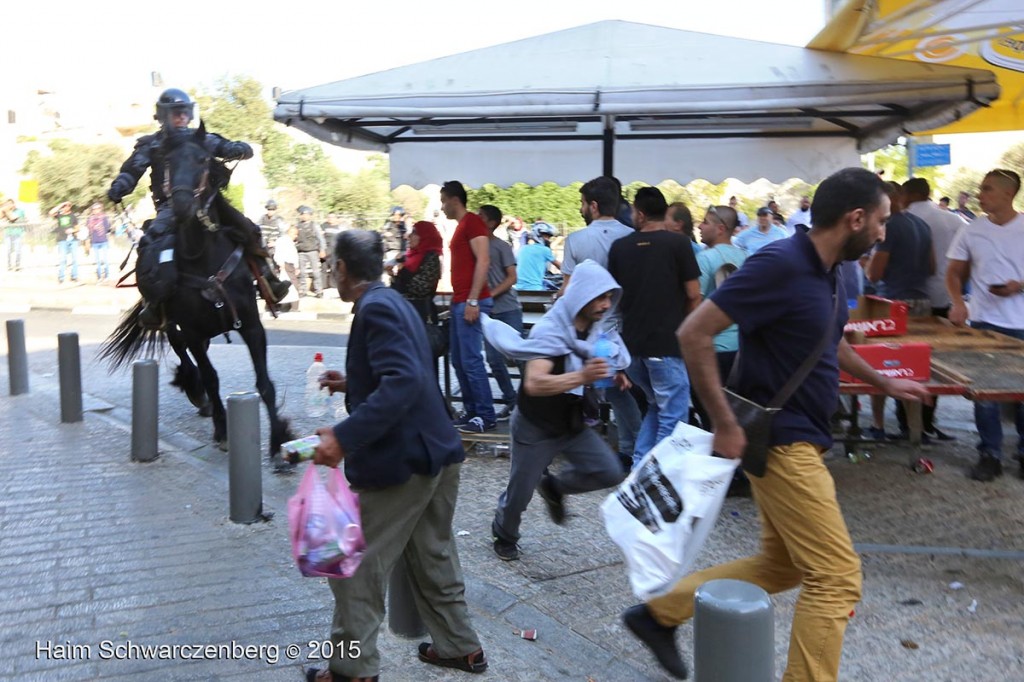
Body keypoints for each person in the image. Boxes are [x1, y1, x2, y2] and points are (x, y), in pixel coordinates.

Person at [623, 167, 930, 682]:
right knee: (836, 578)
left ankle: (657, 614)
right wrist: (722, 421)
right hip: (783, 441)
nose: (882, 232)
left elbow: (828, 343)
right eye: (879, 221)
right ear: (855, 218)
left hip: (797, 435)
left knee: (782, 565)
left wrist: (887, 384)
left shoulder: (827, 269)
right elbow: (694, 332)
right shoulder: (780, 263)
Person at [307, 229, 486, 682]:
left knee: (353, 565)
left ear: (342, 268)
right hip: (438, 450)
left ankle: (353, 671)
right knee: (432, 555)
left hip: (405, 460)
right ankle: (460, 647)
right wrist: (354, 382)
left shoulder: (376, 308)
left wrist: (342, 439)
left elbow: (403, 381)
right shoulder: (395, 303)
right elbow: (409, 367)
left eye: (333, 264)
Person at [483, 259, 630, 560]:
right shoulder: (549, 330)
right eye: (600, 297)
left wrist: (615, 371)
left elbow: (598, 357)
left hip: (571, 422)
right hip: (535, 426)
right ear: (582, 295)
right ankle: (504, 532)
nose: (605, 305)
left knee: (610, 471)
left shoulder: (593, 330)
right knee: (518, 496)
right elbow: (534, 384)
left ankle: (553, 487)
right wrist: (583, 377)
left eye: (608, 298)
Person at [106, 88, 288, 327]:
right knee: (149, 243)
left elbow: (229, 146)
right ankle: (153, 305)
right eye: (176, 113)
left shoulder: (201, 138)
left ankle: (269, 281)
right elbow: (132, 170)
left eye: (184, 112)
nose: (181, 117)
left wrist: (239, 148)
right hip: (171, 208)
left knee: (249, 228)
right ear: (163, 116)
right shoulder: (151, 145)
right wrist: (121, 185)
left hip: (208, 203)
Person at [608, 187, 701, 467]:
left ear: (640, 213)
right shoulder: (679, 245)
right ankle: (655, 479)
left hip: (631, 346)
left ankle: (639, 468)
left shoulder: (620, 247)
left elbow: (613, 295)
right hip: (666, 344)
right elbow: (694, 294)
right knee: (673, 414)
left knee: (656, 407)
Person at [947, 169, 1024, 482]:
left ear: (1008, 194)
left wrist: (1019, 286)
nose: (981, 194)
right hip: (982, 323)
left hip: (1021, 325)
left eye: (987, 189)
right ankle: (989, 454)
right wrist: (958, 302)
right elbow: (953, 272)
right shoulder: (971, 229)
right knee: (984, 393)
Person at [559, 176, 643, 465]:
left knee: (577, 388)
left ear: (593, 206)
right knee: (620, 394)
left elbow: (568, 289)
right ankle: (633, 447)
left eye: (583, 203)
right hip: (623, 327)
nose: (581, 208)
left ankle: (579, 449)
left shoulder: (576, 239)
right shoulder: (632, 236)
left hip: (588, 329)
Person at [863, 182, 935, 440]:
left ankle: (878, 426)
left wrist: (864, 262)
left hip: (890, 304)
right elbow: (932, 267)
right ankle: (916, 430)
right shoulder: (921, 225)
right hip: (921, 301)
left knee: (880, 366)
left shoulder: (889, 227)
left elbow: (874, 273)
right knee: (913, 370)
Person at [441, 180, 496, 434]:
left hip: (470, 300)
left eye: (443, 201)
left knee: (471, 360)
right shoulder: (463, 225)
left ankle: (485, 414)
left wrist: (473, 299)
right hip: (461, 299)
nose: (442, 207)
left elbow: (483, 260)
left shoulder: (473, 222)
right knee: (460, 360)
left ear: (454, 200)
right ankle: (473, 411)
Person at [691, 204, 747, 429]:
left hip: (712, 348)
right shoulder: (747, 256)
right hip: (742, 349)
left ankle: (717, 460)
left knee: (710, 417)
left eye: (705, 222)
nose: (700, 226)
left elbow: (694, 302)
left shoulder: (705, 259)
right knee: (735, 415)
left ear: (721, 228)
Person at [480, 204, 522, 420]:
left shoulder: (501, 247)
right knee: (494, 360)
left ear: (491, 223)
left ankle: (530, 400)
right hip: (488, 312)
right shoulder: (475, 247)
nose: (477, 219)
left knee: (520, 356)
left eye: (481, 217)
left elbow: (512, 277)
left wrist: (490, 294)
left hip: (508, 309)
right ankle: (512, 400)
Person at [389, 220, 444, 322]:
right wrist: (392, 274)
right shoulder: (411, 256)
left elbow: (420, 289)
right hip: (403, 313)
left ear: (424, 236)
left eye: (414, 232)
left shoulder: (431, 258)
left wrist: (401, 270)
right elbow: (398, 287)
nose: (409, 236)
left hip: (419, 315)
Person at [515, 224, 560, 291]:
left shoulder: (523, 248)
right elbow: (560, 266)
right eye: (546, 236)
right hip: (534, 288)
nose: (548, 239)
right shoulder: (545, 250)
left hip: (517, 287)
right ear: (538, 235)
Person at [295, 206, 327, 298]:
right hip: (301, 251)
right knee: (302, 272)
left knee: (316, 272)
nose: (304, 216)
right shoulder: (298, 226)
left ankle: (319, 291)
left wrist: (322, 249)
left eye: (306, 214)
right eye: (303, 214)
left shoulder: (315, 225)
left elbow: (321, 239)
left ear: (310, 215)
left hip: (312, 251)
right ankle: (303, 290)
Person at [50, 202, 79, 284]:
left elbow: (77, 228)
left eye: (68, 206)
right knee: (63, 259)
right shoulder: (59, 215)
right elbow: (51, 212)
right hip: (62, 239)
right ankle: (61, 277)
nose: (66, 208)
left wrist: (73, 230)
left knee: (74, 259)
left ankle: (75, 276)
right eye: (64, 206)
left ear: (70, 207)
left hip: (73, 239)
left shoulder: (73, 216)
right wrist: (61, 204)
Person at [85, 203, 113, 282]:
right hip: (95, 241)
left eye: (97, 209)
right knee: (97, 260)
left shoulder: (104, 218)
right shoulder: (90, 219)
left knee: (105, 259)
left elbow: (108, 228)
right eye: (94, 209)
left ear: (100, 209)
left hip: (103, 240)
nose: (96, 211)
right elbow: (88, 229)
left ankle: (107, 275)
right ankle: (100, 276)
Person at [273, 225, 300, 295]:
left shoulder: (291, 242)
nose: (296, 236)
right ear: (290, 232)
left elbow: (294, 255)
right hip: (285, 264)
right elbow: (278, 253)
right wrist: (280, 263)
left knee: (293, 285)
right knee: (291, 285)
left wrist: (296, 266)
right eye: (295, 234)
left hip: (291, 265)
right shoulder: (282, 240)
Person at [2, 199, 26, 272]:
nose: (9, 205)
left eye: (10, 204)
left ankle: (17, 265)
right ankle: (9, 265)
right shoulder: (5, 212)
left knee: (18, 250)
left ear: (14, 204)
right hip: (8, 232)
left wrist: (7, 212)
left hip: (17, 233)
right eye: (7, 204)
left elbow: (15, 219)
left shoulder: (20, 211)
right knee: (8, 250)